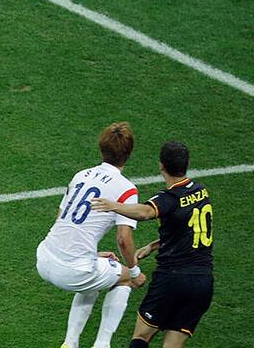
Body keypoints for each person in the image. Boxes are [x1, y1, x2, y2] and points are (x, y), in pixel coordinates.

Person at [91, 141, 213, 347]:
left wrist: (113, 205)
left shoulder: (169, 198)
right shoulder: (201, 191)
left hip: (172, 279)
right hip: (203, 282)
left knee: (141, 337)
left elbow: (144, 212)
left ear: (161, 166)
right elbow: (192, 231)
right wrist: (153, 246)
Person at [37, 122, 147, 348]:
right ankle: (102, 344)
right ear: (129, 153)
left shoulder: (80, 175)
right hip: (73, 270)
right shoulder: (127, 189)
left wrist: (92, 254)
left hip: (44, 257)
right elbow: (123, 240)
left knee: (97, 272)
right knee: (124, 277)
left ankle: (70, 343)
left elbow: (61, 220)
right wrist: (135, 272)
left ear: (102, 148)